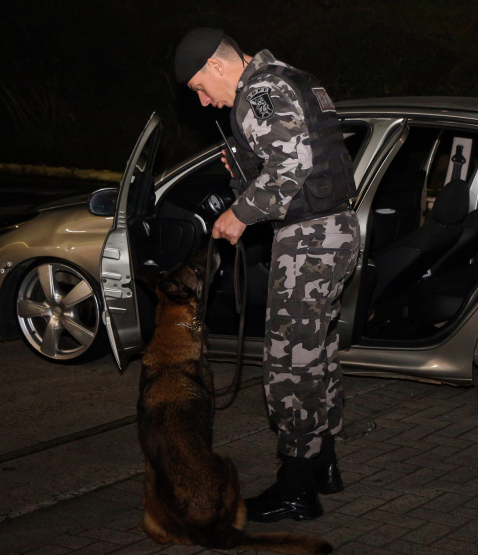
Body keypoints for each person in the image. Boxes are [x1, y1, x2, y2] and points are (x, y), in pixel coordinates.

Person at [173, 27, 360, 522]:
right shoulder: (290, 79)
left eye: (198, 88)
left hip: (309, 241)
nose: (205, 102)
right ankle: (322, 465)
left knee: (290, 366)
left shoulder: (259, 91)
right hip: (334, 230)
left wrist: (240, 213)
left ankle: (295, 490)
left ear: (215, 66)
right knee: (317, 355)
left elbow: (288, 167)